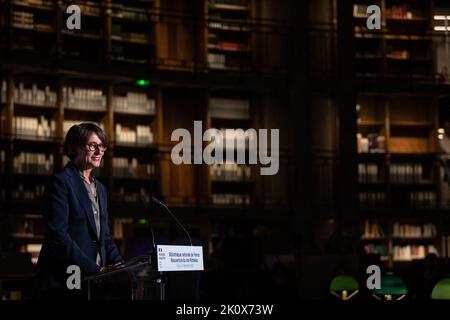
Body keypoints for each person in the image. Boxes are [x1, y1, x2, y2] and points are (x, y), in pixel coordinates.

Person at [37, 123, 123, 299]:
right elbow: (58, 236)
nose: (99, 152)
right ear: (75, 147)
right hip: (66, 278)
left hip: (94, 282)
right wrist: (95, 269)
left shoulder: (101, 189)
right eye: (93, 145)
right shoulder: (60, 183)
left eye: (102, 146)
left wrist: (122, 265)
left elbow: (104, 237)